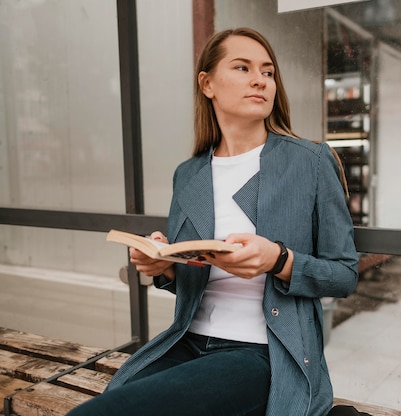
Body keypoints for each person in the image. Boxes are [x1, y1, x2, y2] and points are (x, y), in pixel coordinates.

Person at [67, 27, 359, 416]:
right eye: (242, 68)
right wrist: (165, 267)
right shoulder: (188, 174)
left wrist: (279, 260)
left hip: (263, 353)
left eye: (268, 72)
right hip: (185, 342)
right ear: (207, 84)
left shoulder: (311, 162)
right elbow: (192, 278)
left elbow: (344, 274)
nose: (260, 80)